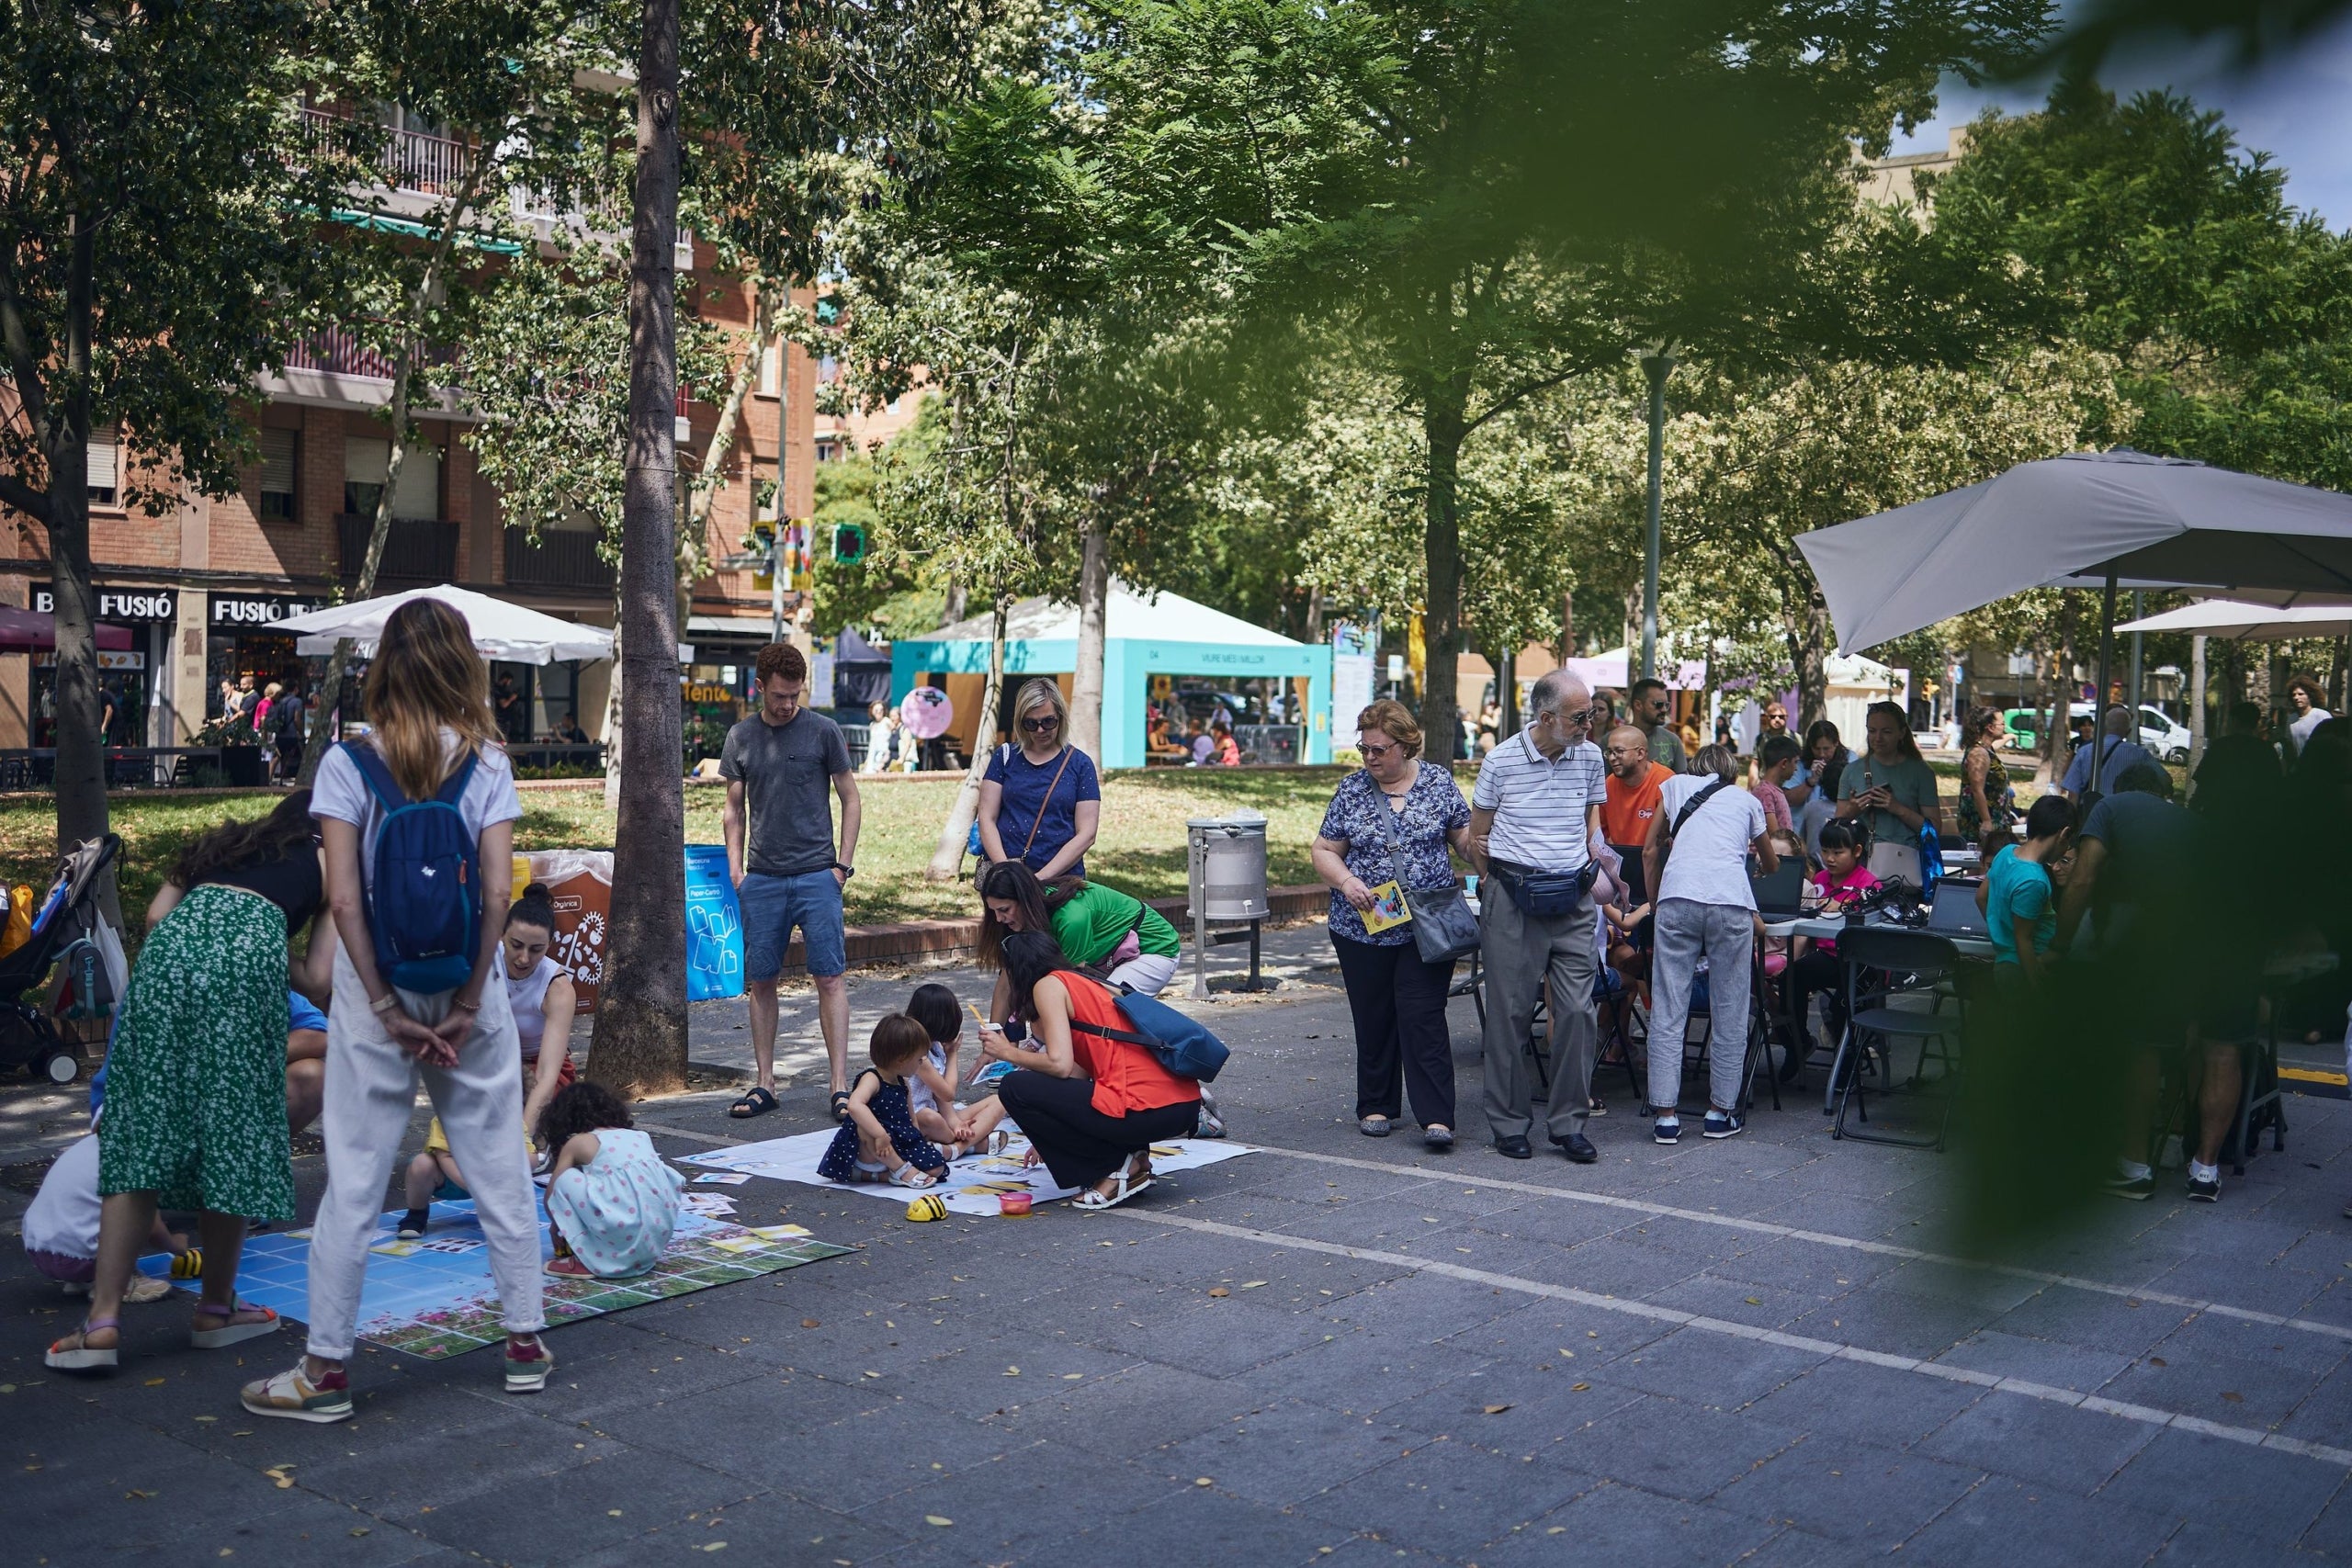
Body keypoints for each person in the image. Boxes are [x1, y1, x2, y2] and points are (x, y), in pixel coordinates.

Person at [243, 596, 549, 1423]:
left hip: (371, 992)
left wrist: (383, 1004)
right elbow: (497, 895)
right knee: (497, 1159)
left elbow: (344, 901)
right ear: (462, 668)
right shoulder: (488, 763)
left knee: (354, 1176)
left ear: (384, 669)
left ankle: (325, 1369)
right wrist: (469, 999)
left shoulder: (347, 765)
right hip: (467, 987)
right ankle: (524, 1341)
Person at [46, 792, 334, 1374]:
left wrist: (209, 934)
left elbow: (155, 918)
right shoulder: (333, 862)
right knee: (232, 1134)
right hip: (246, 970)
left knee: (141, 1132)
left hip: (167, 961)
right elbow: (318, 979)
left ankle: (101, 1323)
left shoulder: (219, 845)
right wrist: (260, 939)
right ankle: (216, 1310)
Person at [2057, 763, 2237, 1202]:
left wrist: (2058, 945)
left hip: (2153, 948)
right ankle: (2194, 1157)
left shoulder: (2110, 808)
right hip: (2207, 949)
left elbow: (2082, 878)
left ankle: (2135, 1165)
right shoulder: (2192, 822)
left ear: (2120, 789)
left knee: (2142, 1048)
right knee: (2200, 1045)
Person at [1311, 699, 1475, 1150]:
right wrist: (1347, 881)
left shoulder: (1438, 782)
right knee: (1374, 1015)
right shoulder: (1352, 790)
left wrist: (1481, 845)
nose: (1370, 757)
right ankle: (1376, 1105)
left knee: (1423, 1016)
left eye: (1379, 749)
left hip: (1428, 924)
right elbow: (1324, 850)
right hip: (1361, 926)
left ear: (1405, 745)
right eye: (1364, 748)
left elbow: (1463, 838)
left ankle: (1437, 1116)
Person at [721, 641, 861, 1122]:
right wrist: (736, 871)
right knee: (761, 981)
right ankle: (765, 1082)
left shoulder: (823, 730)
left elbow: (850, 797)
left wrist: (842, 866)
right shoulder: (741, 736)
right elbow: (734, 809)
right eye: (779, 695)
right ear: (759, 687)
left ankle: (839, 1086)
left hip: (818, 874)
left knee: (830, 978)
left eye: (795, 695)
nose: (787, 704)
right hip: (762, 877)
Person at [1471, 670, 1606, 1164]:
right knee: (1508, 1014)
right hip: (1513, 896)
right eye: (1579, 717)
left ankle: (1569, 1124)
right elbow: (1478, 836)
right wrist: (1495, 885)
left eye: (1590, 715)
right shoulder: (1501, 760)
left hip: (1572, 898)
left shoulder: (1590, 756)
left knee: (1577, 1012)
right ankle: (1509, 1124)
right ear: (1546, 718)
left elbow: (1590, 819)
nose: (1589, 725)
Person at [396, 885, 577, 1238]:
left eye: (536, 950)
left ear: (550, 946)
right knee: (464, 1121)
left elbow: (547, 1074)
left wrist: (521, 1138)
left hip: (534, 1066)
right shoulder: (479, 961)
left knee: (525, 1130)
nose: (523, 958)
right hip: (487, 1057)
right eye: (516, 945)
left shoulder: (558, 987)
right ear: (501, 935)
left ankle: (538, 1151)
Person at [975, 932, 1201, 1209]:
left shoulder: (1048, 985)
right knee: (1039, 1088)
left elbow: (1059, 1065)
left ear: (1017, 971)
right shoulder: (1082, 981)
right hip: (1179, 1104)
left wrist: (1007, 1052)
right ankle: (1137, 1159)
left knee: (1014, 1086)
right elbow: (1076, 1074)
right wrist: (1049, 1135)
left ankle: (1115, 1168)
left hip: (1149, 1106)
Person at [1640, 744, 1777, 1144]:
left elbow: (1649, 850)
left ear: (1695, 768)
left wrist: (1655, 901)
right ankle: (1720, 1113)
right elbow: (1771, 862)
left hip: (1677, 897)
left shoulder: (1673, 786)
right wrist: (1757, 863)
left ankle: (1665, 1117)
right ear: (1731, 773)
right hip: (1730, 903)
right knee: (1730, 1007)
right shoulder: (1746, 800)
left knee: (1668, 1006)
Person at [537, 1081, 684, 1278]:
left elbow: (551, 1197)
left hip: (620, 1235)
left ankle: (588, 1260)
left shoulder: (578, 1142)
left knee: (566, 1179)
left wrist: (559, 1225)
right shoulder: (640, 1136)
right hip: (654, 1241)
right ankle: (627, 1254)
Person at [1779, 821, 1879, 1082]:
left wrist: (1845, 907)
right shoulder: (1820, 880)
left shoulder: (1869, 885)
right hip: (1826, 956)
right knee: (1790, 977)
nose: (1830, 858)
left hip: (1858, 961)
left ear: (1857, 851)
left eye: (1837, 852)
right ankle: (1797, 1043)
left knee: (1843, 1003)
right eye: (1825, 851)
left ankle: (1847, 1061)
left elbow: (1874, 922)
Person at [819, 1014, 966, 1187]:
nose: (921, 1064)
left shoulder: (903, 1082)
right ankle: (900, 1170)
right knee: (864, 1127)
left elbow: (912, 1120)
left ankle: (878, 1175)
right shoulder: (872, 1078)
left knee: (937, 1168)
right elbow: (855, 1105)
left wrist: (918, 1143)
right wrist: (880, 1134)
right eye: (919, 1059)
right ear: (902, 1060)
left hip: (897, 1141)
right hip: (871, 1147)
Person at [979, 680, 1102, 876]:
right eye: (1031, 723)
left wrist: (1038, 880)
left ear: (1060, 717)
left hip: (1061, 880)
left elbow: (1087, 834)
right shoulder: (1005, 757)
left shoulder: (1081, 764)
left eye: (1048, 722)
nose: (1040, 730)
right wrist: (1007, 872)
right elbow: (986, 818)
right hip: (1007, 879)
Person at [1976, 794, 2075, 992]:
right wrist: (2036, 984)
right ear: (2064, 834)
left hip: (2005, 962)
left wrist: (2001, 930)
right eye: (2068, 843)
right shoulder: (2033, 881)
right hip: (2023, 968)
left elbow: (1981, 897)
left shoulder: (2006, 853)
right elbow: (2024, 939)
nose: (2066, 850)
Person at [1835, 701, 1939, 884]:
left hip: (1906, 865)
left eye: (1887, 732)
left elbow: (1934, 829)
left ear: (1902, 733)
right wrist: (1852, 811)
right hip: (1862, 866)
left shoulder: (1921, 772)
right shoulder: (1852, 771)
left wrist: (1898, 808)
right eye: (1872, 731)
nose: (1878, 738)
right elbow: (1836, 826)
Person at [2190, 701, 2282, 823]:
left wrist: (2194, 808)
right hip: (2254, 817)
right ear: (2256, 723)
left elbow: (2204, 782)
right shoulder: (2267, 750)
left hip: (2220, 814)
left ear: (2234, 721)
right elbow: (2275, 785)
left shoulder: (2221, 746)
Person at [1954, 705, 2017, 859]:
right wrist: (1987, 821)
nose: (2004, 726)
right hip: (1983, 821)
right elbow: (1977, 789)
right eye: (2002, 723)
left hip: (1996, 819)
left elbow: (1994, 746)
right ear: (1990, 727)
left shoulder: (1986, 749)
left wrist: (2009, 736)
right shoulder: (1979, 754)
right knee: (1984, 864)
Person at [2062, 705, 2156, 800]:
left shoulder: (2084, 751)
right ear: (2128, 732)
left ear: (2104, 727)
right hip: (2124, 806)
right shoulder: (2141, 754)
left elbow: (2073, 793)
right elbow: (2161, 780)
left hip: (2090, 807)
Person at [1788, 719, 1851, 863]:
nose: (1822, 754)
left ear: (1836, 744)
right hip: (1807, 841)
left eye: (1826, 749)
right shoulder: (1801, 764)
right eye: (1817, 749)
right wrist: (1811, 781)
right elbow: (1789, 799)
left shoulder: (1850, 759)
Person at [1629, 678, 1685, 773]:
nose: (1664, 710)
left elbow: (1682, 779)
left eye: (1666, 705)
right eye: (1658, 704)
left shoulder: (1673, 741)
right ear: (1638, 705)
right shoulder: (1613, 740)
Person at [1749, 734, 1801, 836]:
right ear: (1784, 763)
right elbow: (1775, 836)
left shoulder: (1774, 790)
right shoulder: (1764, 792)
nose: (1796, 768)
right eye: (1795, 762)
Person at [2287, 674, 2333, 757]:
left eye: (2301, 694)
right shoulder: (2291, 719)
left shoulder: (2321, 715)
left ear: (2310, 696)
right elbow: (2290, 745)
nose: (2296, 697)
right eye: (2294, 695)